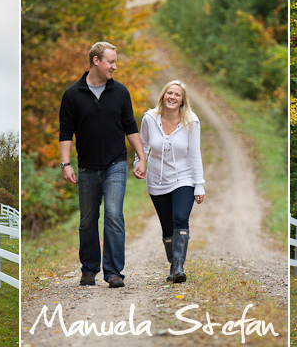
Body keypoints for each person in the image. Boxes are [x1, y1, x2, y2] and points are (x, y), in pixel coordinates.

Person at [59, 41, 147, 289]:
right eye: (111, 62)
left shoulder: (120, 92)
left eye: (115, 62)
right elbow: (66, 131)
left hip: (115, 164)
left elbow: (130, 126)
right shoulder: (72, 94)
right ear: (96, 61)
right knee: (87, 220)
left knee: (113, 216)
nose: (115, 67)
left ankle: (113, 272)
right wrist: (65, 163)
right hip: (87, 167)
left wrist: (141, 157)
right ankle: (88, 270)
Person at [135, 80, 205, 283]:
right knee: (167, 226)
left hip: (184, 178)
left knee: (180, 218)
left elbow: (194, 155)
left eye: (177, 95)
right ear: (163, 95)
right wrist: (139, 162)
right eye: (169, 93)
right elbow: (144, 144)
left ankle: (179, 268)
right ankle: (174, 265)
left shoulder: (191, 121)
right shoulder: (149, 118)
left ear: (183, 101)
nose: (173, 97)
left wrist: (198, 184)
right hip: (157, 180)